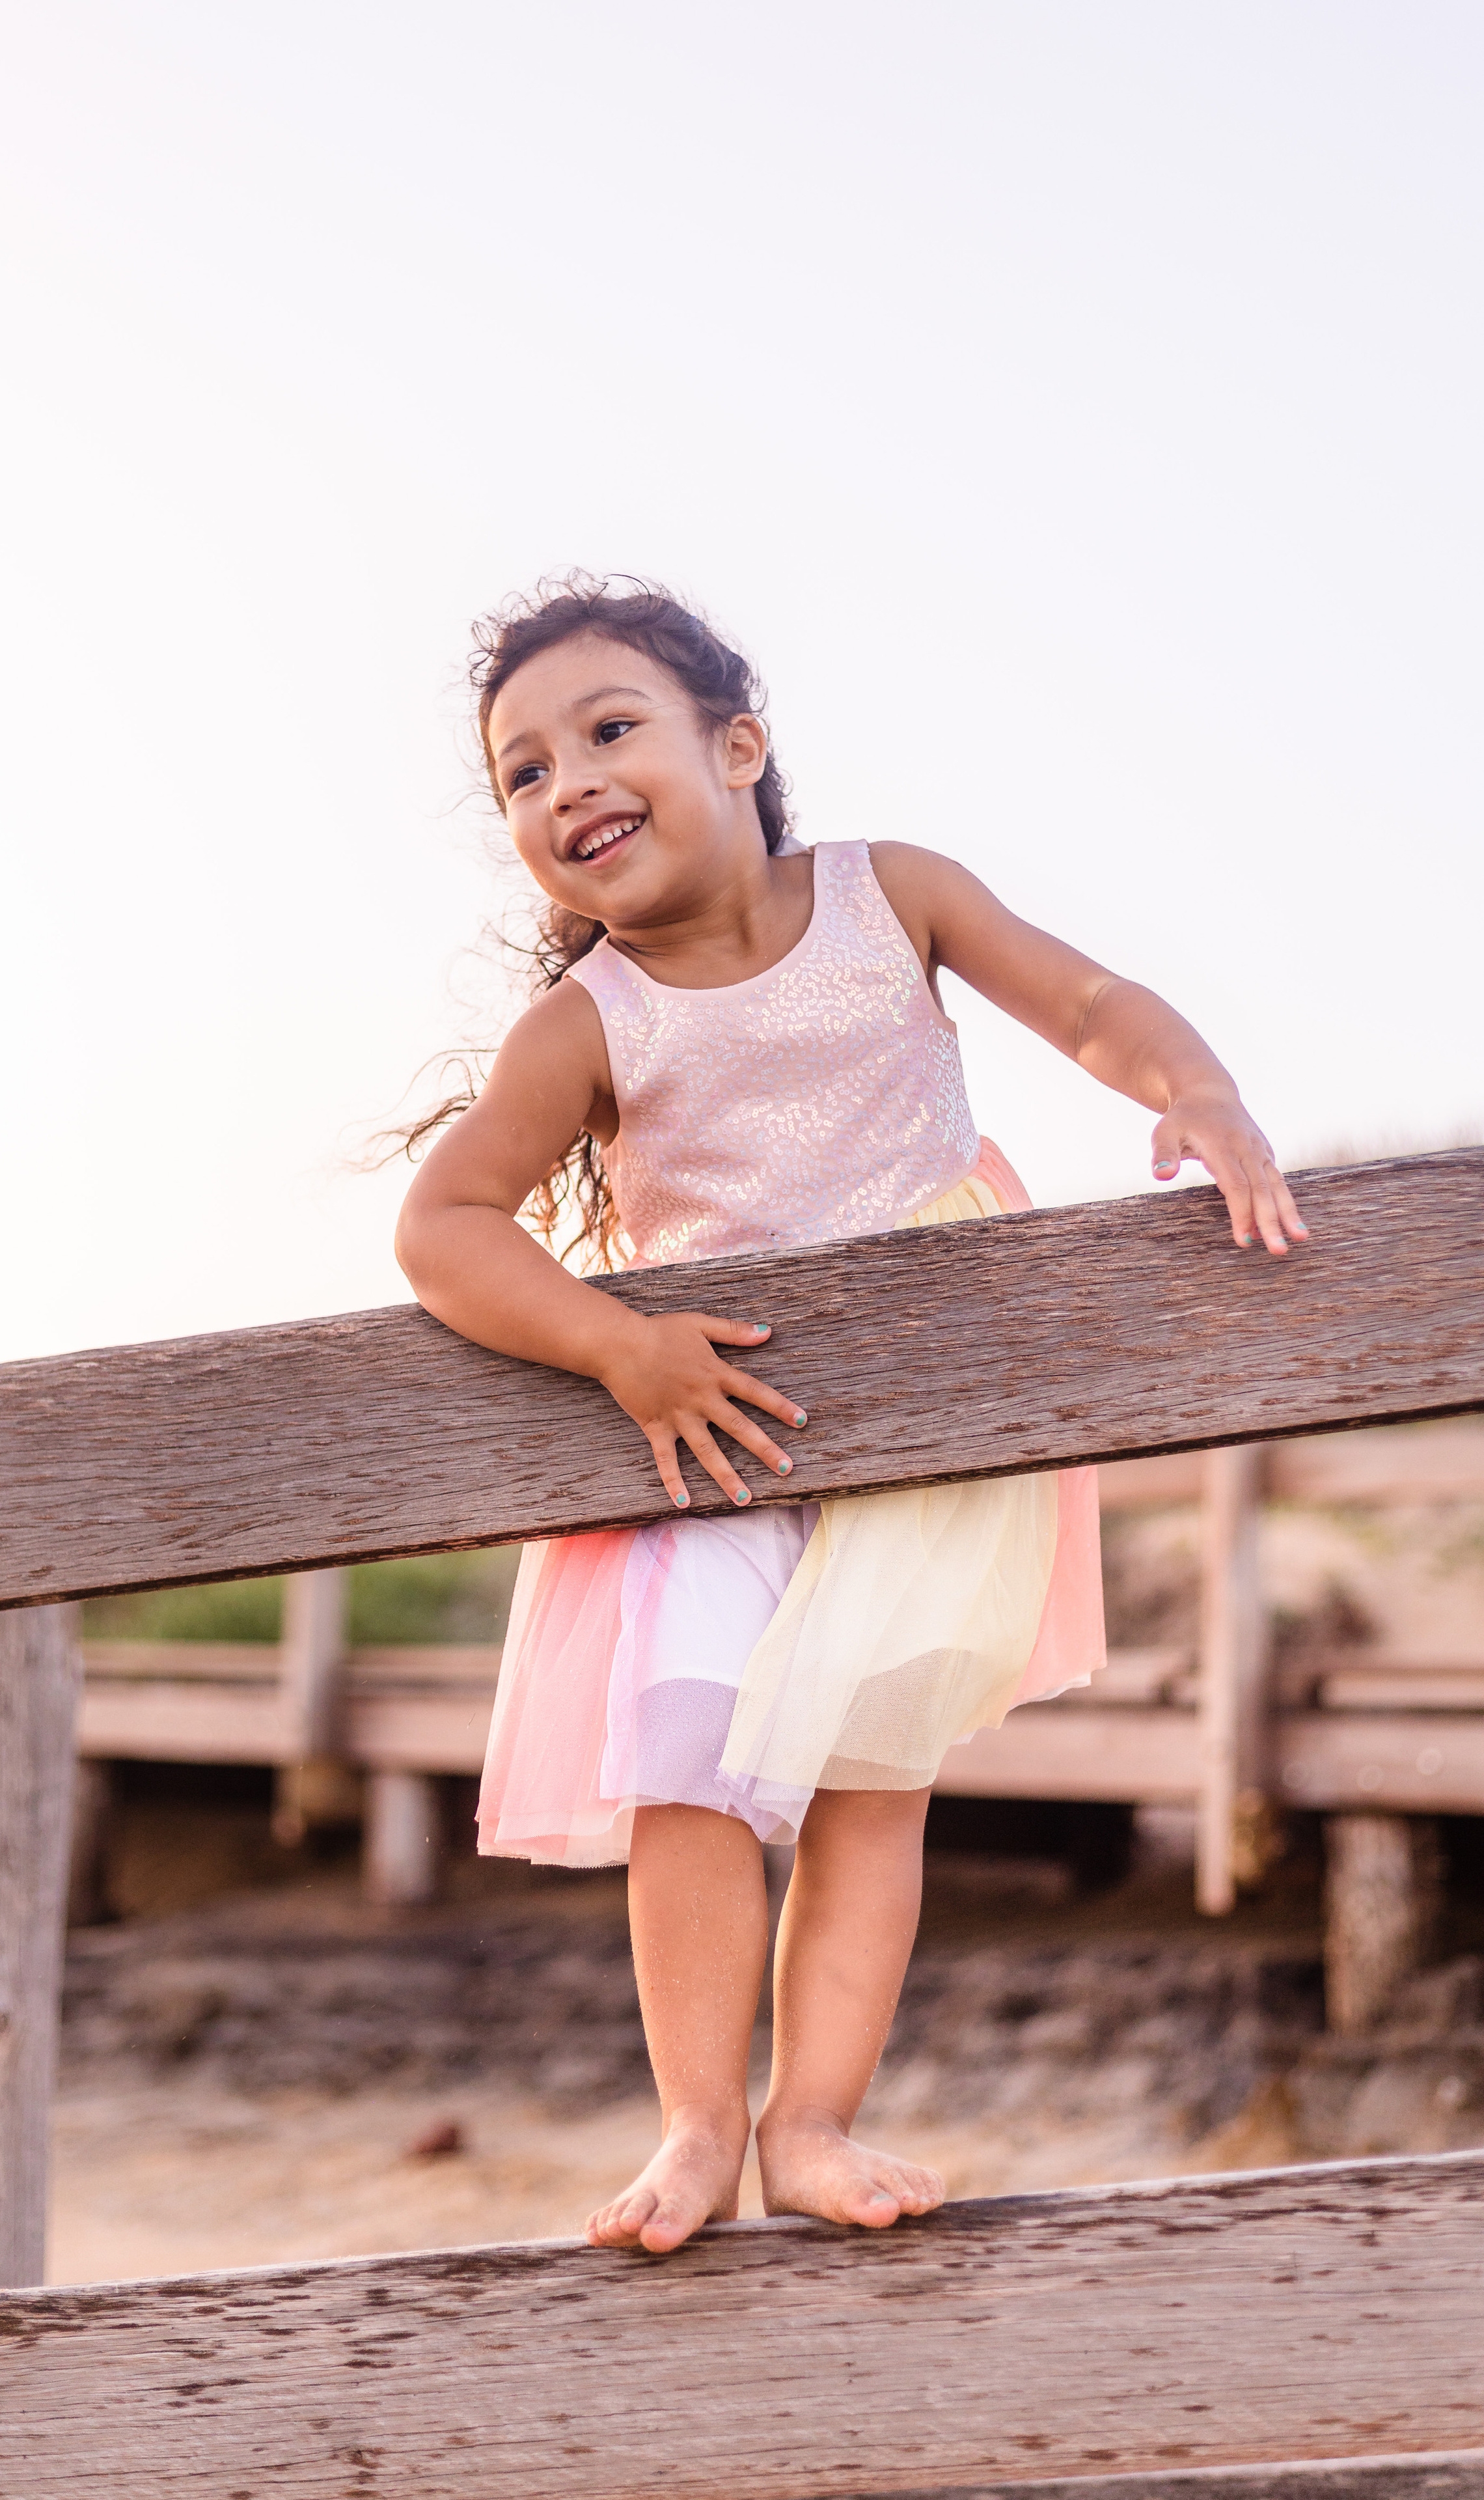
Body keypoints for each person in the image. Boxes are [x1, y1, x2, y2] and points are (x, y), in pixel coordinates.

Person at [393, 577, 1306, 2256]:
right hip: (712, 1433)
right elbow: (444, 1226)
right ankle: (696, 2124)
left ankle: (811, 2118)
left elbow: (1089, 1004)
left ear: (737, 748)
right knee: (684, 1760)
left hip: (932, 1429)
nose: (567, 781)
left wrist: (1201, 1092)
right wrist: (617, 1347)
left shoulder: (895, 897)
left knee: (872, 1783)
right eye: (523, 771)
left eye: (608, 730)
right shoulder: (588, 1024)